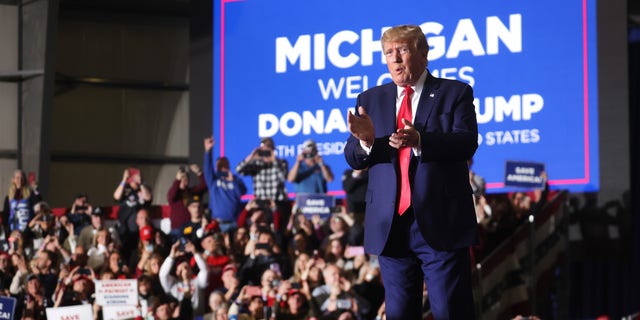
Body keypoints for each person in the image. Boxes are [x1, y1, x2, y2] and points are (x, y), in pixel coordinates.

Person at [344, 25, 478, 319]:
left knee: (449, 311)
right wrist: (366, 141)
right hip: (391, 227)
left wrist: (421, 140)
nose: (395, 59)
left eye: (402, 50)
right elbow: (353, 157)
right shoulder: (370, 99)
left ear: (423, 54)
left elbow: (466, 143)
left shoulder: (454, 92)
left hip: (440, 222)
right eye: (389, 53)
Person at [203, 137, 247, 233]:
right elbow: (207, 169)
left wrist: (232, 181)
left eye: (224, 165)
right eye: (219, 166)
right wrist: (208, 152)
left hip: (233, 222)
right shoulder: (214, 181)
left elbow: (240, 194)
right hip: (218, 223)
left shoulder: (236, 181)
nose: (221, 168)